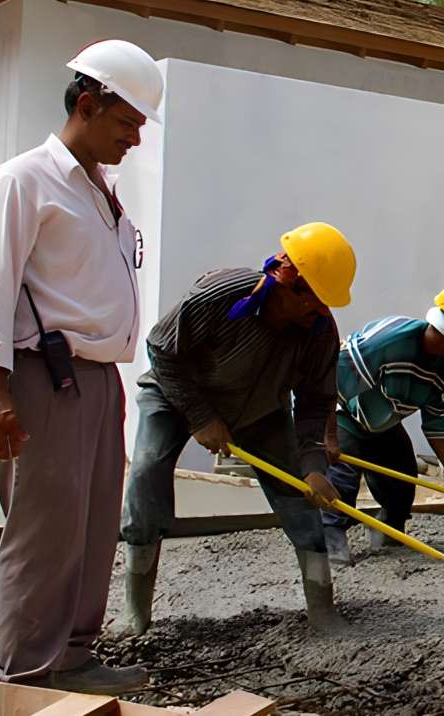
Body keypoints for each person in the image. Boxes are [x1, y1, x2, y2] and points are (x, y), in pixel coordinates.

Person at [0, 39, 163, 694]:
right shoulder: (26, 180)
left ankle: (74, 656)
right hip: (42, 376)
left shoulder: (101, 190)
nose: (135, 138)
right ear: (87, 102)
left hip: (98, 379)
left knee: (94, 524)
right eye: (127, 122)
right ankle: (24, 675)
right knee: (45, 533)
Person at [116, 222, 356, 636]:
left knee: (301, 499)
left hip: (261, 410)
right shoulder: (220, 295)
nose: (321, 311)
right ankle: (136, 612)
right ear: (286, 278)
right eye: (314, 299)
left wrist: (314, 465)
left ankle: (323, 611)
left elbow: (316, 402)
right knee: (146, 474)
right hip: (175, 396)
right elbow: (161, 350)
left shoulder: (319, 332)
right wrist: (200, 416)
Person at [321, 282, 444, 567]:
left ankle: (387, 530)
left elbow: (437, 424)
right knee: (342, 476)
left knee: (401, 477)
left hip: (383, 423)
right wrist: (327, 436)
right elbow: (329, 384)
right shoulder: (387, 343)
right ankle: (330, 537)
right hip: (344, 414)